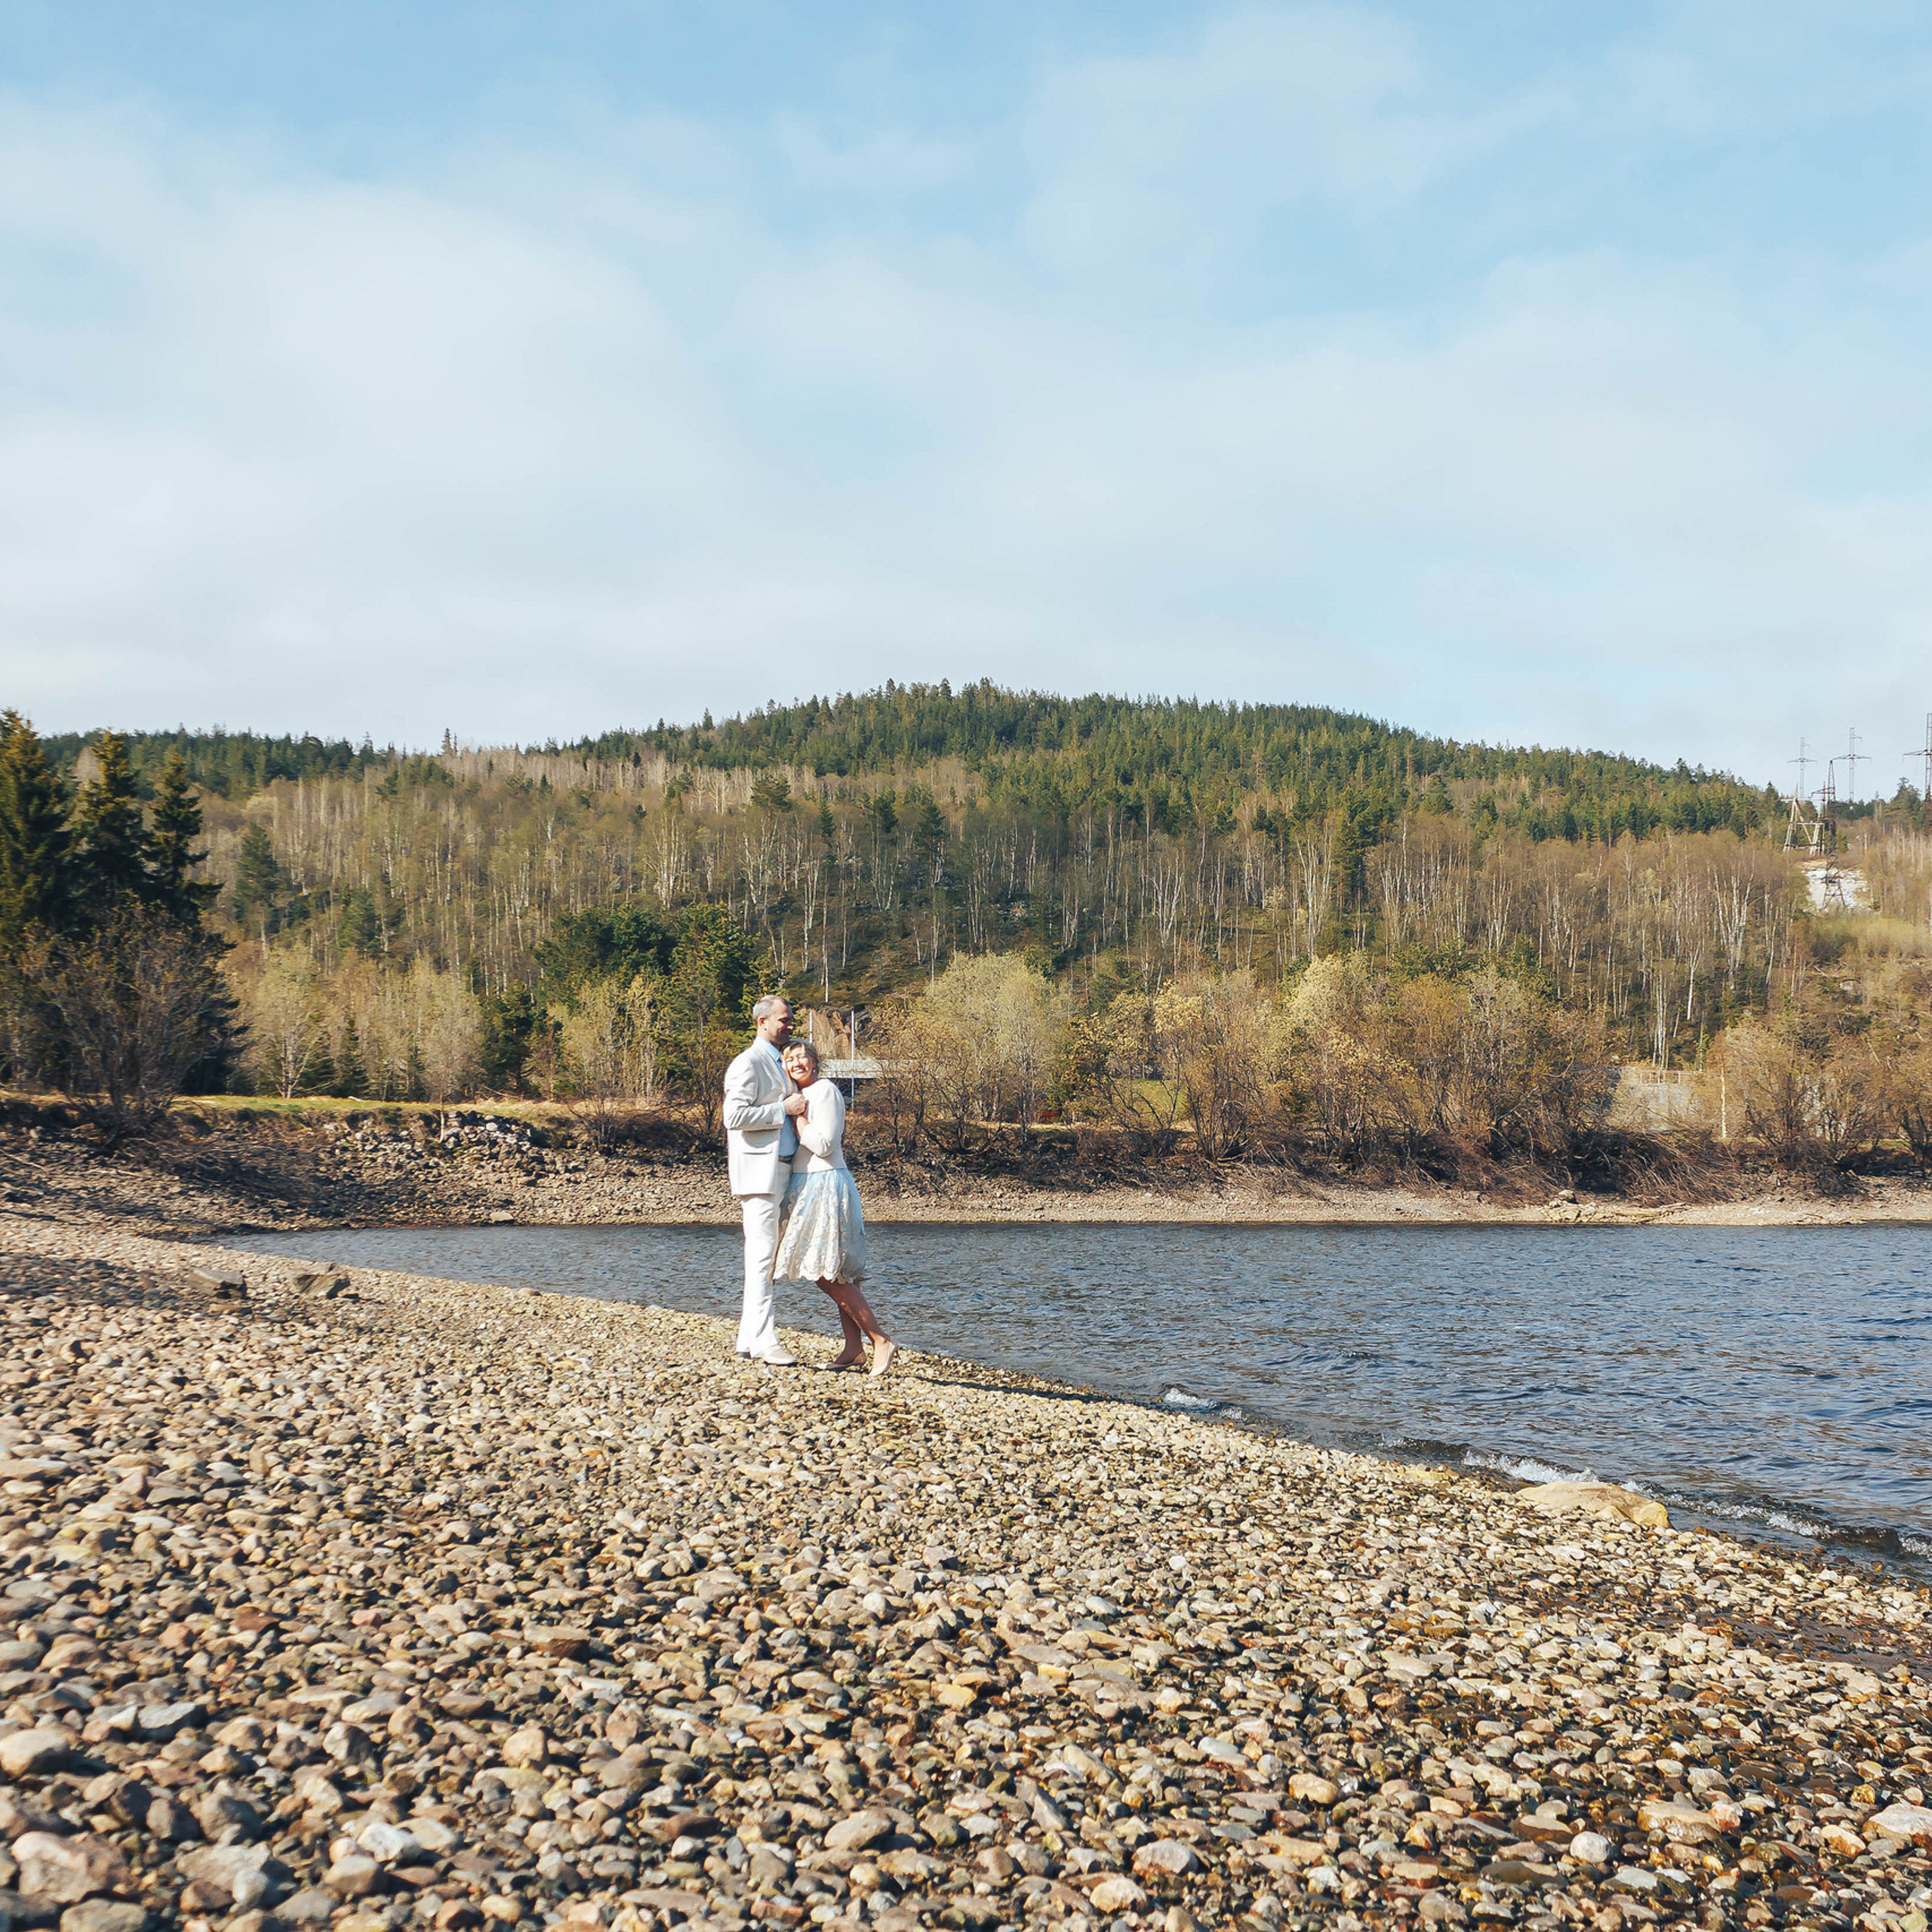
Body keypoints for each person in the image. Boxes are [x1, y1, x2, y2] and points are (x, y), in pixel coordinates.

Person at [775, 1039, 895, 1378]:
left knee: (829, 1273)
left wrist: (797, 1117)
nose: (796, 1062)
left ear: (815, 1063)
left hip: (825, 1183)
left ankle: (880, 1340)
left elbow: (825, 1145)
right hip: (808, 1182)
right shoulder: (803, 1095)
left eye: (802, 1057)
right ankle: (853, 1349)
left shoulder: (824, 1091)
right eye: (789, 1058)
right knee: (836, 1271)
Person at [722, 994, 811, 1367]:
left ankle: (748, 1336)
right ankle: (764, 1340)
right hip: (760, 1174)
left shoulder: (780, 1061)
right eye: (784, 1020)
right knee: (762, 1258)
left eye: (790, 1020)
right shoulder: (748, 1062)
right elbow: (734, 1117)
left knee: (764, 1256)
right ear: (762, 1022)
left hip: (781, 1169)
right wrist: (783, 1109)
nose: (789, 1026)